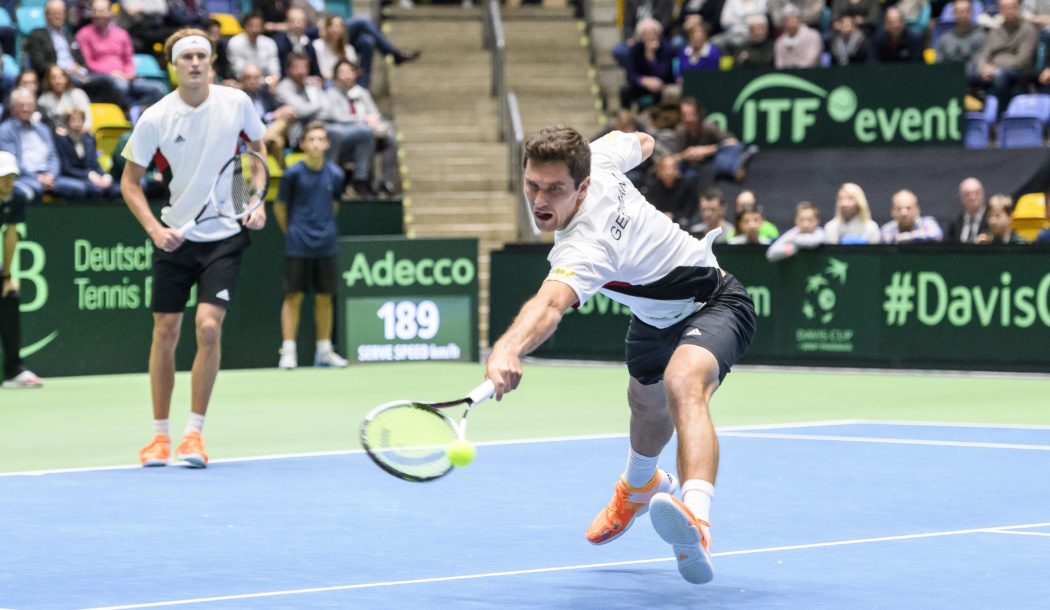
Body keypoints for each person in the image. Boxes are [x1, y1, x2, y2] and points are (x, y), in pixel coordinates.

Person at [485, 126, 756, 586]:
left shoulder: (585, 245)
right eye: (533, 184)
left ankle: (697, 519)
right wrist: (637, 143)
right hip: (654, 316)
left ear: (583, 184)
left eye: (555, 188)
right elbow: (645, 143)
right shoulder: (599, 156)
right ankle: (638, 487)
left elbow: (551, 304)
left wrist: (507, 347)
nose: (540, 199)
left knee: (682, 382)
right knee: (644, 406)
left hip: (713, 301)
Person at [122, 28, 267, 468]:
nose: (196, 63)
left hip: (224, 236)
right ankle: (160, 438)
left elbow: (254, 152)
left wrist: (252, 202)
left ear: (211, 61)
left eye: (202, 55)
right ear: (174, 65)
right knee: (165, 332)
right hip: (175, 237)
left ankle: (193, 436)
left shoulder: (237, 103)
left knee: (207, 326)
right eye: (187, 57)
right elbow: (130, 183)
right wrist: (154, 229)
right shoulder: (156, 118)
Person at [274, 121, 349, 370]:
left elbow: (334, 207)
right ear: (304, 144)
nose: (316, 144)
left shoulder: (336, 175)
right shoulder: (292, 174)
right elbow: (279, 207)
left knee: (325, 297)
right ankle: (288, 352)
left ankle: (325, 351)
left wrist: (322, 228)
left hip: (326, 244)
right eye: (311, 139)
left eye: (320, 139)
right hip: (298, 245)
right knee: (293, 296)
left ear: (326, 144)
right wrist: (293, 231)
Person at [0, 151, 43, 389]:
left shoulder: (14, 197)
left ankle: (14, 371)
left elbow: (10, 235)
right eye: (3, 177)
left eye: (12, 176)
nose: (8, 182)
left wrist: (7, 277)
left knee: (9, 296)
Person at [75, 0, 167, 110]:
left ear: (110, 12)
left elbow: (128, 59)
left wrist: (129, 74)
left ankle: (133, 111)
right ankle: (125, 113)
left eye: (102, 11)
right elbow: (88, 63)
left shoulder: (121, 34)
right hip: (100, 78)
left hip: (124, 77)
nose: (99, 14)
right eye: (95, 11)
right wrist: (111, 73)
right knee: (120, 86)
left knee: (159, 89)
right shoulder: (83, 34)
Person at [0, 88, 79, 200]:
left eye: (29, 105)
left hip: (48, 176)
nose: (26, 109)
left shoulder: (43, 129)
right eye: (21, 105)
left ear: (34, 107)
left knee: (78, 188)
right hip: (24, 177)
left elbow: (53, 156)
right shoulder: (5, 130)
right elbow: (12, 162)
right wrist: (37, 177)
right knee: (36, 188)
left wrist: (51, 175)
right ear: (13, 108)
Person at [973, 0, 1039, 114]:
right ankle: (976, 117)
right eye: (1005, 8)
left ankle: (1000, 117)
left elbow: (1023, 60)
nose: (1009, 11)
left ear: (1019, 9)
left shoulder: (1028, 29)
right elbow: (983, 55)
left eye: (1013, 7)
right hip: (991, 70)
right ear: (999, 10)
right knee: (968, 77)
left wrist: (995, 68)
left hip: (1017, 71)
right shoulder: (995, 30)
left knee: (1000, 76)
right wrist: (983, 69)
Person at [54, 107, 120, 199]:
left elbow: (95, 163)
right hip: (73, 176)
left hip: (91, 177)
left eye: (79, 120)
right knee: (95, 190)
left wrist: (104, 175)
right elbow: (65, 168)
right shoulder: (61, 140)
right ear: (67, 122)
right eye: (73, 120)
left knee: (113, 188)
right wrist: (88, 175)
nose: (77, 123)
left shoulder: (89, 139)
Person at [620, 18, 678, 111]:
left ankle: (657, 119)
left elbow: (663, 73)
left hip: (662, 83)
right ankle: (625, 118)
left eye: (654, 33)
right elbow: (630, 75)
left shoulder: (666, 48)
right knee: (625, 90)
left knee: (658, 89)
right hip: (643, 84)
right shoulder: (636, 49)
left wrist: (651, 55)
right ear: (641, 36)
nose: (651, 36)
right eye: (646, 33)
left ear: (659, 34)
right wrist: (643, 80)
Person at [227, 11, 281, 85]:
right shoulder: (235, 42)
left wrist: (267, 80)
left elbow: (275, 73)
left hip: (266, 85)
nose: (254, 30)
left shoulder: (270, 43)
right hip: (242, 83)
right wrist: (263, 80)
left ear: (262, 28)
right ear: (245, 26)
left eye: (258, 26)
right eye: (251, 26)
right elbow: (238, 72)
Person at [644, 153, 698, 227]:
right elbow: (650, 209)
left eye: (671, 168)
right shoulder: (653, 188)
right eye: (665, 168)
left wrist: (673, 215)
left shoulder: (686, 186)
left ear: (677, 170)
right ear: (659, 171)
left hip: (680, 223)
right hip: (659, 222)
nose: (668, 172)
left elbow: (690, 209)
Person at [36, 64, 93, 131]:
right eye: (54, 78)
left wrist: (82, 130)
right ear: (49, 80)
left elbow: (88, 119)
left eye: (61, 77)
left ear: (66, 78)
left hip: (79, 132)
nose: (58, 81)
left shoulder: (77, 94)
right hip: (56, 135)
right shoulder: (44, 99)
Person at [935, 0, 987, 74]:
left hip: (972, 78)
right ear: (954, 13)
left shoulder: (980, 36)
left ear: (971, 12)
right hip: (948, 77)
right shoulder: (944, 37)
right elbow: (939, 62)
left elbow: (979, 61)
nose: (963, 15)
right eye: (959, 11)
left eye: (966, 11)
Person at [880, 189, 945, 243]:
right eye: (899, 209)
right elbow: (885, 238)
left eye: (908, 208)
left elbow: (936, 234)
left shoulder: (928, 222)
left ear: (917, 210)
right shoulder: (887, 228)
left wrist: (904, 237)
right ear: (892, 212)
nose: (904, 213)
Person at [312, 14, 358, 82]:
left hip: (345, 83)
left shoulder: (349, 49)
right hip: (325, 82)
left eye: (340, 26)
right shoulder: (317, 45)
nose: (336, 30)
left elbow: (353, 72)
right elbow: (319, 71)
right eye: (333, 26)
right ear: (326, 28)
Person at [945, 176, 988, 243]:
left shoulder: (991, 221)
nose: (972, 197)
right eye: (967, 194)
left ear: (982, 195)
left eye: (976, 193)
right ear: (961, 198)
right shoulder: (955, 223)